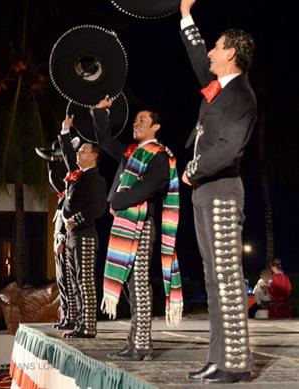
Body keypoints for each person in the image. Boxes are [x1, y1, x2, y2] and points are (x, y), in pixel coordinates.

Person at [179, 0, 257, 383]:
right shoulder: (219, 89)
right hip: (205, 193)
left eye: (216, 46)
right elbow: (198, 60)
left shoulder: (242, 96)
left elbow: (229, 148)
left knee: (226, 277)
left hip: (222, 192)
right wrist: (185, 15)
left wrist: (193, 169)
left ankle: (237, 363)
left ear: (231, 53)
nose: (209, 51)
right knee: (213, 278)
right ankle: (218, 359)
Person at [93, 96, 182, 361]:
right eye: (135, 120)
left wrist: (118, 200)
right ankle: (135, 341)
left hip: (142, 224)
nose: (136, 123)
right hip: (127, 224)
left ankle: (142, 344)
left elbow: (153, 184)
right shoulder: (131, 153)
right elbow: (105, 141)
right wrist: (100, 113)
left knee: (139, 282)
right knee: (132, 284)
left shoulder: (159, 155)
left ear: (156, 127)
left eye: (142, 120)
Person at [58, 115, 107, 338]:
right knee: (74, 282)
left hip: (85, 235)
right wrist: (65, 130)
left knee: (85, 282)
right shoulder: (78, 175)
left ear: (95, 156)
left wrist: (74, 220)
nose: (79, 153)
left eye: (84, 151)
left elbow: (98, 209)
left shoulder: (95, 179)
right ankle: (78, 323)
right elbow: (68, 154)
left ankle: (88, 327)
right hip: (72, 236)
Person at [47, 158, 78, 330]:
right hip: (58, 240)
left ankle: (72, 318)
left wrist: (63, 242)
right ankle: (66, 317)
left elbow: (69, 221)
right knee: (61, 282)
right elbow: (53, 178)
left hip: (64, 243)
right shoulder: (64, 195)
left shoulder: (71, 196)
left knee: (68, 281)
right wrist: (51, 160)